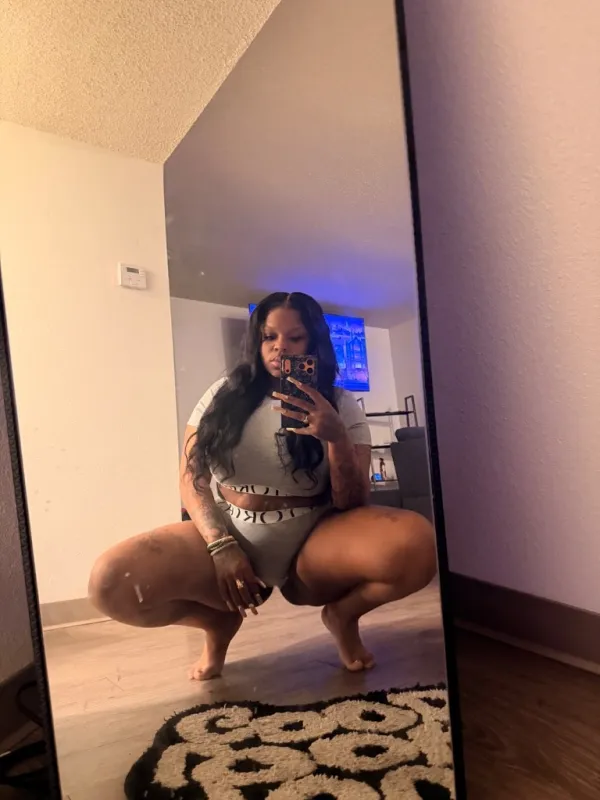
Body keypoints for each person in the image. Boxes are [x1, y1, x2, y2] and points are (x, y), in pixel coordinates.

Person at [88, 292, 436, 680]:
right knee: (110, 582)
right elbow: (191, 476)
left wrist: (337, 438)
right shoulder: (223, 395)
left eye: (295, 337)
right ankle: (217, 623)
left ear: (315, 343)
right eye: (269, 336)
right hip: (229, 529)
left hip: (313, 542)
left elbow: (353, 502)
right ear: (256, 340)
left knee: (417, 545)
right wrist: (220, 545)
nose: (280, 347)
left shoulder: (340, 402)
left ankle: (342, 615)